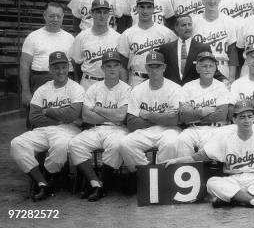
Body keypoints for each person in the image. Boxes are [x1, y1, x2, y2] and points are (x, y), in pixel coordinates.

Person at [165, 100, 254, 210]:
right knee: (212, 183)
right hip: (234, 179)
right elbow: (198, 157)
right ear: (234, 119)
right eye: (242, 117)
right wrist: (177, 161)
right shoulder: (225, 136)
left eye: (250, 117)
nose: (246, 120)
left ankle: (234, 199)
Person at [10, 51, 84, 202]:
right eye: (56, 68)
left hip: (67, 130)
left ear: (68, 68)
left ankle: (47, 177)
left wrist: (48, 111)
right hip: (44, 129)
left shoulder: (76, 88)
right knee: (17, 144)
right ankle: (43, 182)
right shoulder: (43, 89)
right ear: (50, 69)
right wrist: (60, 118)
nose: (61, 71)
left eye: (64, 67)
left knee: (61, 145)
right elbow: (34, 117)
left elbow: (73, 114)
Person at [67, 50, 130, 202]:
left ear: (120, 67)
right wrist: (111, 114)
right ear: (103, 68)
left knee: (117, 145)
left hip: (118, 129)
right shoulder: (93, 88)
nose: (112, 69)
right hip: (95, 128)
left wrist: (98, 109)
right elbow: (86, 116)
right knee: (74, 144)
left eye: (115, 65)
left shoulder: (126, 88)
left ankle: (101, 184)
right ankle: (95, 183)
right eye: (108, 66)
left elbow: (121, 116)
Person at [119, 52, 185, 185]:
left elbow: (175, 120)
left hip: (169, 130)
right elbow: (131, 123)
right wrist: (163, 117)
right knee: (125, 144)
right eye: (151, 67)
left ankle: (163, 178)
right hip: (146, 131)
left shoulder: (175, 88)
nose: (154, 70)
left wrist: (148, 115)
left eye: (158, 66)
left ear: (164, 67)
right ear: (146, 68)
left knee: (171, 143)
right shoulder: (137, 90)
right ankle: (147, 176)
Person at [20, 2, 75, 112]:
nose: (55, 19)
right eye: (51, 16)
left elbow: (75, 65)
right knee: (38, 118)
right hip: (40, 80)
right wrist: (25, 90)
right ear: (44, 15)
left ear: (63, 17)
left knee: (64, 118)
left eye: (58, 16)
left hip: (65, 80)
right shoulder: (33, 37)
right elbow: (24, 65)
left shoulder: (70, 38)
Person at [176, 51, 232, 157]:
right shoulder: (188, 87)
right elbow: (183, 116)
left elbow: (221, 115)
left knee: (208, 146)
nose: (208, 69)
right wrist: (202, 111)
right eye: (204, 66)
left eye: (211, 66)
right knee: (181, 139)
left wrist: (194, 114)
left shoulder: (221, 87)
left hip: (214, 128)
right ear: (197, 68)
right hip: (192, 129)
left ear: (215, 68)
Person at [117, 0, 176, 86]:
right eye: (142, 7)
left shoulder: (166, 33)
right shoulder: (127, 34)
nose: (145, 11)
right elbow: (122, 66)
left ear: (154, 9)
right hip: (136, 79)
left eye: (148, 7)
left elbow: (173, 62)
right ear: (136, 8)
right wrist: (125, 88)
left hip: (160, 80)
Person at [157, 14, 228, 86]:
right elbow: (159, 71)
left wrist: (223, 80)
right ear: (176, 27)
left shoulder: (203, 48)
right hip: (173, 91)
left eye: (189, 25)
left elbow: (212, 70)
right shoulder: (165, 49)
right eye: (184, 25)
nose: (187, 28)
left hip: (194, 91)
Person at [192, 0, 239, 81]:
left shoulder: (229, 21)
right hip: (200, 68)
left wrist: (231, 77)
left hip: (222, 66)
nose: (212, 1)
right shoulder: (193, 22)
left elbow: (232, 52)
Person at [69, 0, 120, 90]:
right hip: (88, 83)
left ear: (109, 14)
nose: (102, 16)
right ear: (92, 13)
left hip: (111, 83)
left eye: (105, 12)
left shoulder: (118, 37)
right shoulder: (82, 36)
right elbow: (75, 62)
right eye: (98, 12)